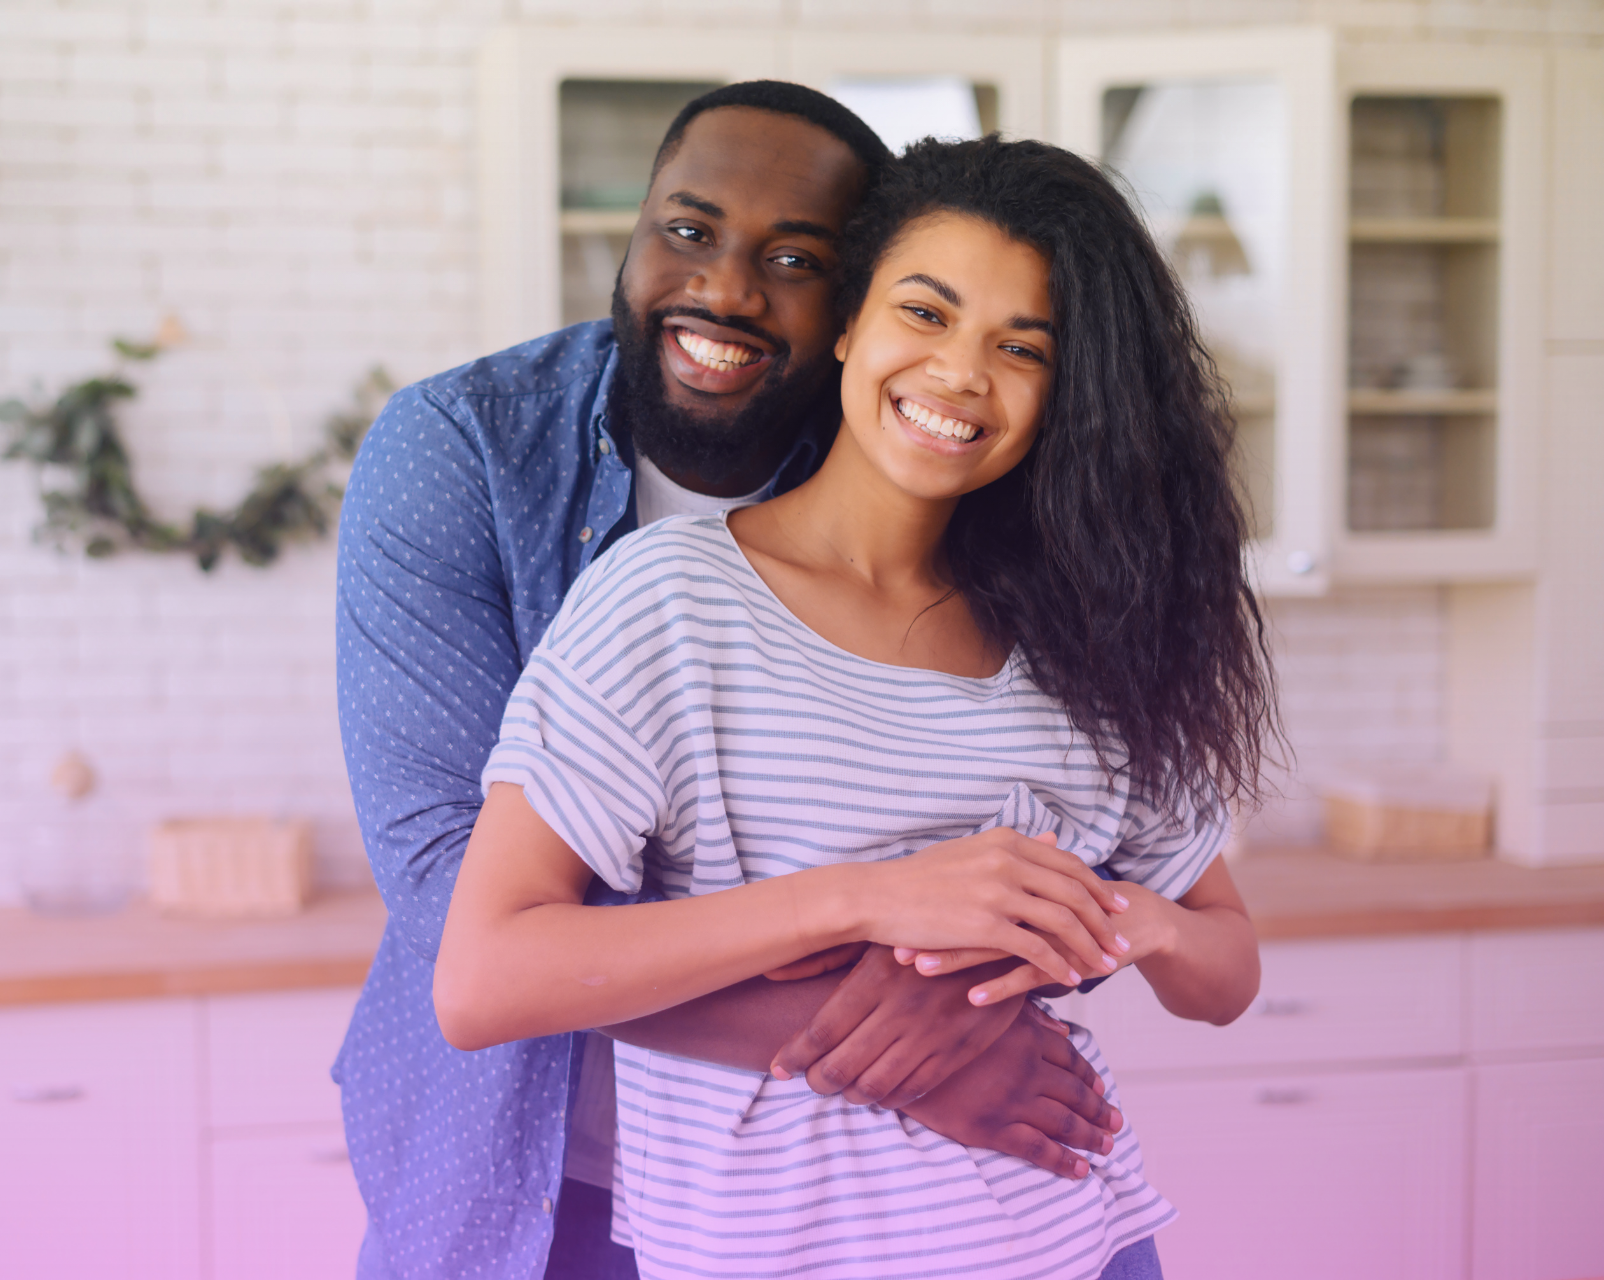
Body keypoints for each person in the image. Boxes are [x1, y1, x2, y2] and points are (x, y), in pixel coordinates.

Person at [433, 136, 1276, 1279]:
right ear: (848, 323)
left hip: (1076, 1240)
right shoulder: (671, 600)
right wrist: (870, 900)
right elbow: (487, 978)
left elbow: (1222, 970)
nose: (961, 374)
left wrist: (1114, 925)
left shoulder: (1088, 635)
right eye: (925, 314)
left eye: (1020, 347)